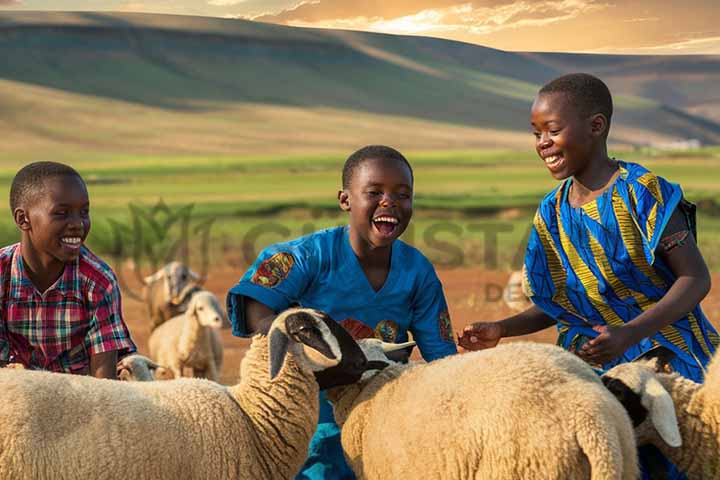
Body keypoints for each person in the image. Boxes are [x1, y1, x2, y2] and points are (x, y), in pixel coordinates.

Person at [459, 73, 718, 479]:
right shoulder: (552, 211)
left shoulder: (642, 191)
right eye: (536, 133)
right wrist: (500, 328)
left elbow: (695, 279)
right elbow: (557, 304)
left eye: (553, 130)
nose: (542, 142)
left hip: (671, 362)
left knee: (687, 464)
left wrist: (630, 333)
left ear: (596, 127)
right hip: (596, 369)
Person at [227, 145, 457, 479]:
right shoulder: (309, 256)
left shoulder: (418, 272)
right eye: (374, 192)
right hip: (310, 422)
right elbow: (255, 302)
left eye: (402, 194)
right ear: (345, 200)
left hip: (384, 422)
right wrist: (295, 333)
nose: (389, 201)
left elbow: (442, 358)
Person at [0, 161, 136, 378]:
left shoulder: (98, 281)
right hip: (21, 392)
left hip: (80, 397)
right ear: (23, 219)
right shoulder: (2, 273)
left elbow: (105, 383)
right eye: (62, 213)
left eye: (84, 212)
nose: (78, 224)